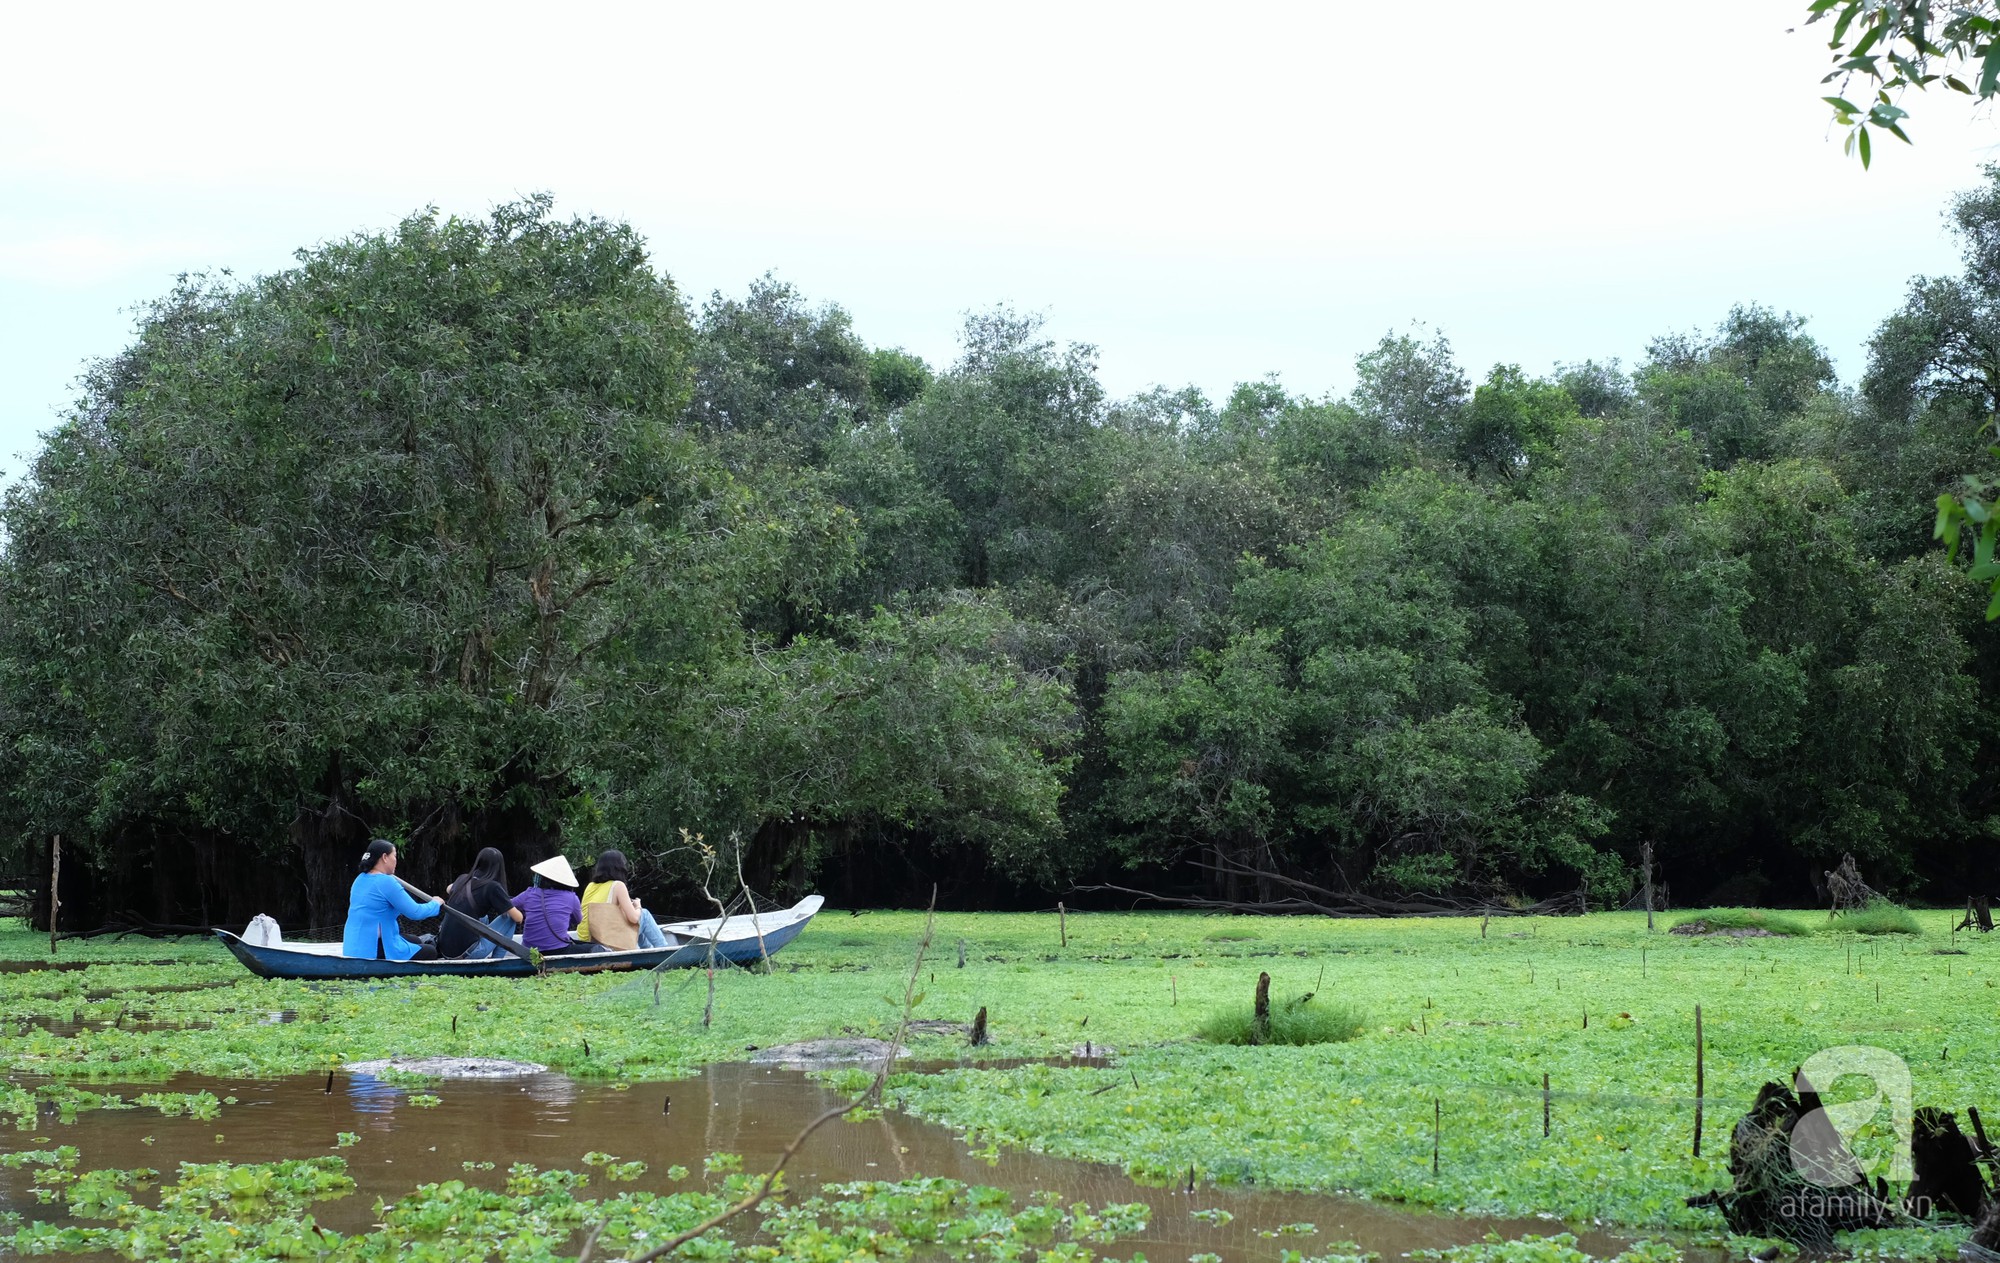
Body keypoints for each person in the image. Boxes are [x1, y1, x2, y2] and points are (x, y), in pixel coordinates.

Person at [342, 839, 443, 961]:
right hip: (371, 948)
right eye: (394, 856)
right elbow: (415, 912)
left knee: (415, 940)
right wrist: (435, 903)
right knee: (430, 951)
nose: (396, 861)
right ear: (385, 857)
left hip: (353, 945)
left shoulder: (360, 879)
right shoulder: (386, 882)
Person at [438, 847, 524, 959]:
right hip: (468, 954)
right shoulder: (493, 887)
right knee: (509, 918)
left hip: (444, 951)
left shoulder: (462, 879)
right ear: (499, 866)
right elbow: (518, 918)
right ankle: (497, 961)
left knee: (483, 918)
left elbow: (448, 889)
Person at [577, 850, 668, 952]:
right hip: (606, 940)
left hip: (590, 939)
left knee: (637, 920)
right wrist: (638, 906)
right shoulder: (618, 885)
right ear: (619, 867)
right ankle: (663, 950)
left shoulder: (590, 886)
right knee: (644, 914)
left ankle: (646, 950)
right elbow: (633, 918)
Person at [512, 855, 590, 955]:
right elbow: (578, 920)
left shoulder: (529, 893)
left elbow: (508, 905)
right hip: (558, 950)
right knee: (594, 947)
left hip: (529, 951)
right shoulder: (571, 897)